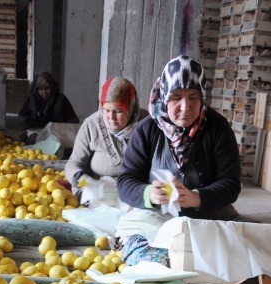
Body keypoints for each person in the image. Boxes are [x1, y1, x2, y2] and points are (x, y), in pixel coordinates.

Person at [116, 55, 242, 266]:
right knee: (154, 261)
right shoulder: (146, 130)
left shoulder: (218, 129)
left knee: (235, 259)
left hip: (207, 219)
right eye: (176, 97)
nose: (186, 107)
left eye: (193, 97)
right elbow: (126, 182)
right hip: (154, 220)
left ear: (202, 97)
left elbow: (231, 184)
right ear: (164, 96)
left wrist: (197, 197)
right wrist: (149, 194)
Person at [64, 77, 140, 191]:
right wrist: (78, 177)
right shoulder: (92, 125)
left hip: (136, 193)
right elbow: (74, 163)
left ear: (131, 107)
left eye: (118, 111)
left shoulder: (146, 124)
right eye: (106, 110)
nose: (111, 118)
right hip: (98, 194)